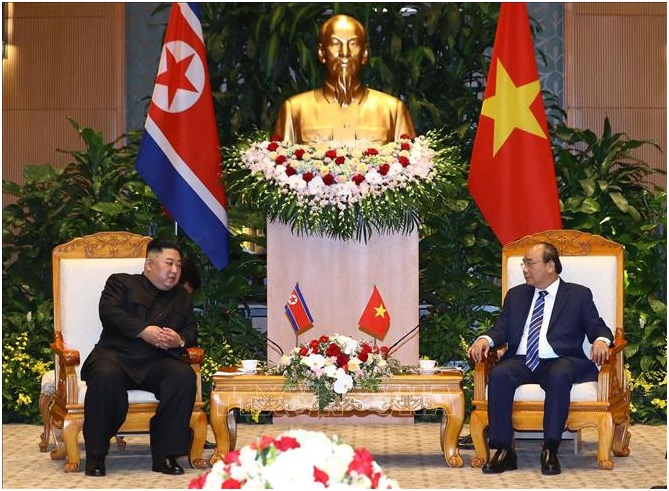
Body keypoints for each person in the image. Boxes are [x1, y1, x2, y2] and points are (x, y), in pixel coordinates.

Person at [467, 242, 613, 476]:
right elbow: (501, 328)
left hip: (561, 359)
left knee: (559, 373)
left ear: (550, 266)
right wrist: (485, 340)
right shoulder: (516, 295)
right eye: (523, 264)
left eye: (530, 263)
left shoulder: (578, 295)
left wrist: (601, 341)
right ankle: (504, 450)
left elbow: (597, 327)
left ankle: (550, 448)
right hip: (523, 360)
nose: (525, 269)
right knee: (499, 374)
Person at [81, 238, 197, 477]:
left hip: (158, 361)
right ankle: (96, 455)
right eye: (169, 263)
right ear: (149, 264)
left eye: (178, 265)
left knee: (183, 376)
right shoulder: (121, 282)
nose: (175, 270)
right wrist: (144, 331)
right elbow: (110, 313)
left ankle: (165, 455)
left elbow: (191, 330)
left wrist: (179, 340)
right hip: (115, 356)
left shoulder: (182, 296)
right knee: (104, 377)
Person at [273, 14, 416, 145]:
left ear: (365, 53)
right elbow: (278, 161)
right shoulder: (295, 109)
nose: (345, 53)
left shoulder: (392, 110)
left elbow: (411, 161)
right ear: (321, 53)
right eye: (335, 43)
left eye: (353, 44)